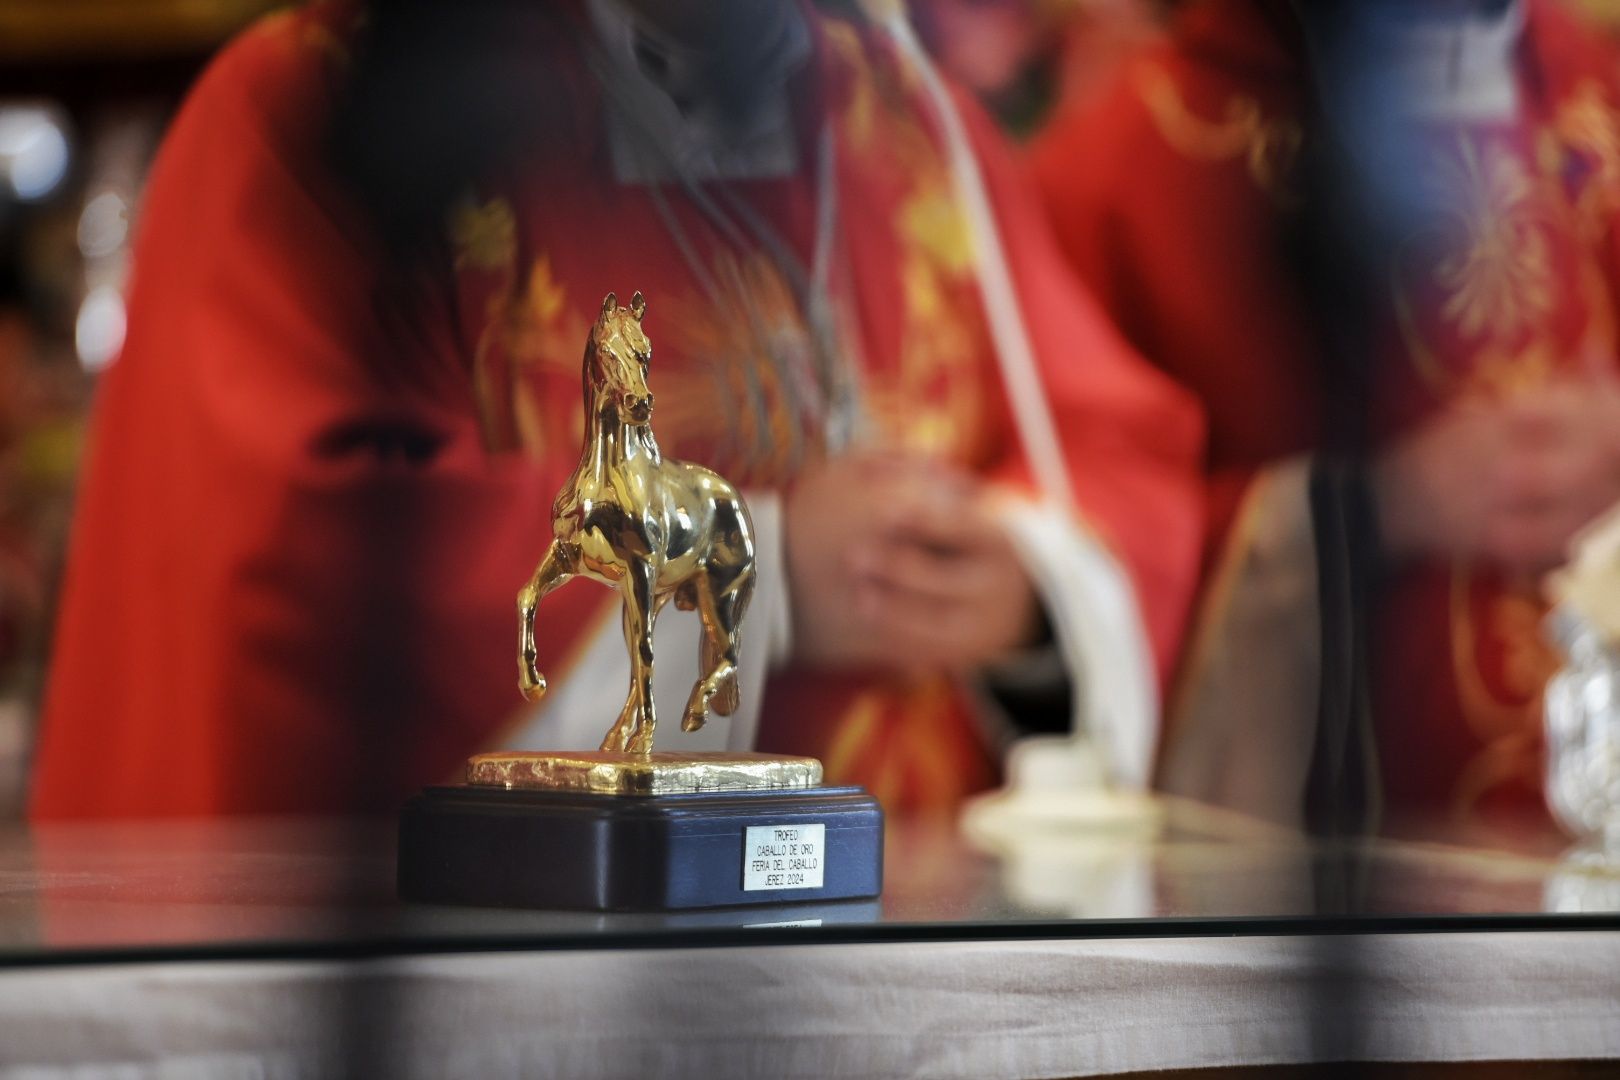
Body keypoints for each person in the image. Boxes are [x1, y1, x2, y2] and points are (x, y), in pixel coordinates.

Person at [29, 0, 1203, 818]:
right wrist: (760, 579)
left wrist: (1024, 591)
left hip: (907, 990)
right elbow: (287, 560)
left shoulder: (896, 112)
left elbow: (1105, 442)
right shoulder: (331, 113)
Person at [1031, 0, 1620, 834]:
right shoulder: (1129, 160)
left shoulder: (1596, 86)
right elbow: (1073, 562)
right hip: (1335, 864)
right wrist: (1376, 509)